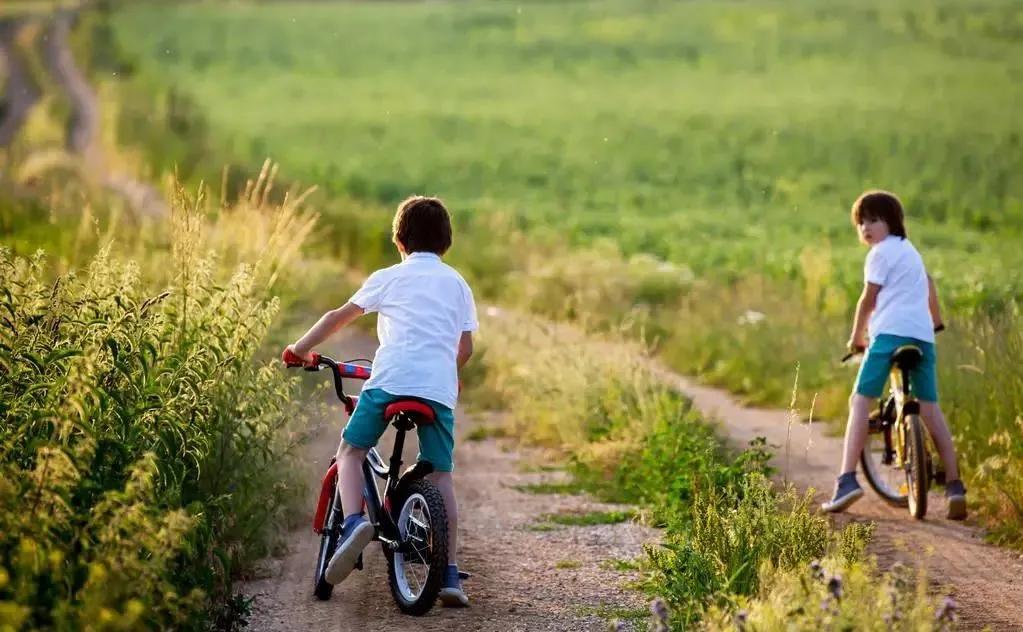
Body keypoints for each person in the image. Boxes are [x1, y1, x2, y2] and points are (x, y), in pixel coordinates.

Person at [284, 195, 478, 606]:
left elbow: (338, 316)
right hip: (437, 388)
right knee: (441, 477)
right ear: (447, 243)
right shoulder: (458, 284)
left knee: (351, 451)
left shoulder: (388, 277)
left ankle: (355, 522)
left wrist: (299, 349)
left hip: (389, 380)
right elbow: (465, 349)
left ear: (399, 242)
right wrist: (447, 373)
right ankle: (448, 576)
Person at [822, 190, 967, 520]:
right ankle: (956, 484)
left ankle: (846, 480)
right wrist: (936, 320)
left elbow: (867, 299)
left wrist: (856, 337)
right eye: (861, 222)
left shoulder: (879, 254)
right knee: (930, 409)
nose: (866, 228)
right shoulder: (910, 252)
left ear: (893, 222)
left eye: (874, 220)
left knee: (860, 401)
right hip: (922, 337)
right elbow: (928, 283)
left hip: (887, 335)